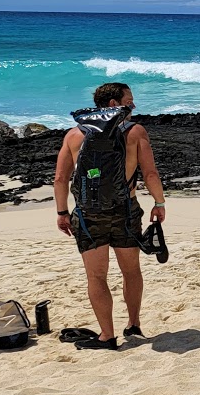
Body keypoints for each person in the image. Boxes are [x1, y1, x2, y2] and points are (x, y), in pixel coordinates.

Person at [53, 83, 167, 350]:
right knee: (131, 271)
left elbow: (60, 178)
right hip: (124, 211)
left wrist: (61, 212)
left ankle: (107, 335)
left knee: (96, 277)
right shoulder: (135, 132)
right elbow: (150, 174)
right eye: (130, 100)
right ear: (115, 104)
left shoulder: (73, 135)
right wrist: (159, 202)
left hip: (88, 215)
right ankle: (134, 324)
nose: (134, 105)